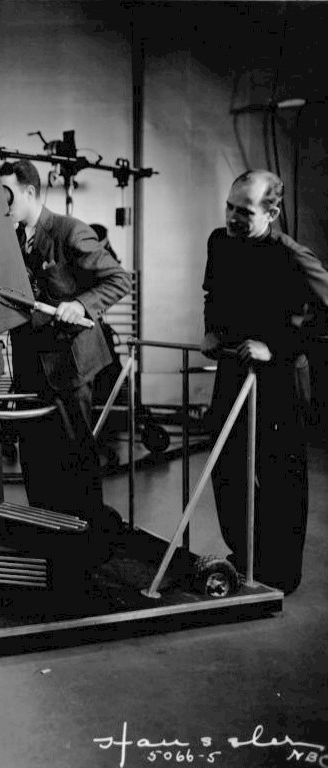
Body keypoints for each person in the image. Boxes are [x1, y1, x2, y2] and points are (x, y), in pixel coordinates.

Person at [201, 170, 328, 595]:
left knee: (280, 475)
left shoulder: (292, 255)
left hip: (281, 374)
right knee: (227, 466)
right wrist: (212, 331)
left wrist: (276, 347)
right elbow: (212, 294)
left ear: (272, 212)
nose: (234, 217)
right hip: (234, 367)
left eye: (246, 211)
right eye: (230, 207)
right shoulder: (219, 242)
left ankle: (281, 572)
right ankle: (247, 553)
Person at [0, 160, 131, 528]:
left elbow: (119, 280)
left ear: (28, 192)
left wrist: (80, 304)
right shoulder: (8, 237)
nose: (1, 202)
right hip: (29, 366)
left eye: (6, 194)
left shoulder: (69, 232)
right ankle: (47, 536)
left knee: (75, 460)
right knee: (36, 462)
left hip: (68, 369)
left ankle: (87, 542)